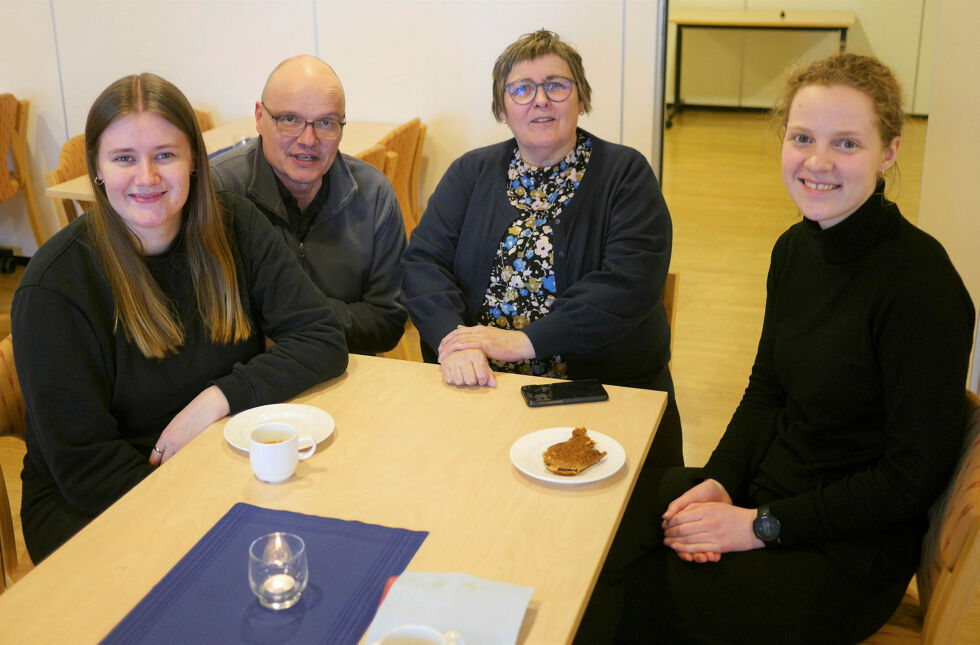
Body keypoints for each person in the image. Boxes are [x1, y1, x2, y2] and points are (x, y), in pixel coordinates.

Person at [576, 54, 975, 644]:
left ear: (888, 151)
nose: (817, 161)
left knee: (616, 605)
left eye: (847, 143)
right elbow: (766, 392)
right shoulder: (794, 250)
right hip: (767, 493)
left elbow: (908, 480)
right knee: (591, 526)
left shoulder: (924, 286)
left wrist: (758, 526)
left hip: (845, 551)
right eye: (802, 137)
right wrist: (715, 484)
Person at [12, 73, 349, 563]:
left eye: (165, 155)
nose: (147, 177)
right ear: (98, 169)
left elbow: (322, 338)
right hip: (100, 510)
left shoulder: (235, 224)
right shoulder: (55, 287)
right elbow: (86, 470)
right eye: (124, 158)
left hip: (221, 467)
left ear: (194, 161)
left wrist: (218, 399)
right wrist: (207, 513)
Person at [402, 30, 681, 466]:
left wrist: (523, 342)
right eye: (522, 89)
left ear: (581, 99)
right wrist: (456, 343)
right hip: (482, 390)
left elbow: (629, 284)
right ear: (502, 108)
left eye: (556, 85)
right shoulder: (469, 172)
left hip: (597, 401)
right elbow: (423, 262)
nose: (540, 100)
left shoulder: (626, 174)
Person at [211, 55, 407, 355]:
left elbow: (387, 323)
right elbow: (208, 320)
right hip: (249, 381)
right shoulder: (219, 191)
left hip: (349, 373)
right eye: (289, 119)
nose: (308, 139)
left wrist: (292, 316)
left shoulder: (374, 195)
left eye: (326, 123)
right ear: (260, 118)